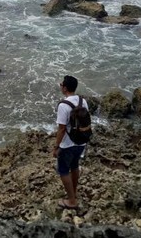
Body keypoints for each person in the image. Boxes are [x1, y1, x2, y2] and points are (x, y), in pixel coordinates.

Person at [53, 75, 88, 209]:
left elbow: (61, 129)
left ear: (65, 88)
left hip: (68, 145)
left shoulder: (63, 105)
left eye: (61, 84)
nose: (60, 86)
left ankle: (72, 201)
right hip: (81, 142)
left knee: (63, 171)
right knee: (74, 166)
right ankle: (73, 192)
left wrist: (56, 147)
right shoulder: (82, 101)